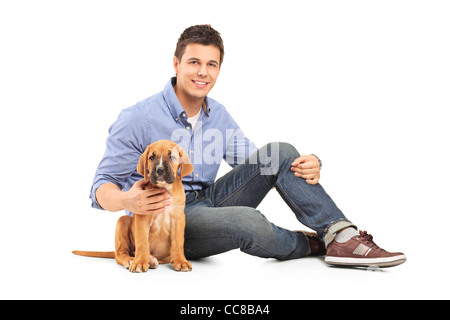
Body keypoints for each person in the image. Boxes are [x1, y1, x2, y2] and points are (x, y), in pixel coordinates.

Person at [90, 24, 406, 268]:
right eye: (194, 62)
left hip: (210, 198)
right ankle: (310, 245)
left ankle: (340, 235)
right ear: (176, 63)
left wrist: (308, 161)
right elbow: (101, 187)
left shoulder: (218, 115)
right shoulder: (139, 117)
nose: (203, 72)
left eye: (211, 64)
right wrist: (126, 200)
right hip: (171, 218)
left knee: (279, 152)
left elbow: (261, 163)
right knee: (248, 221)